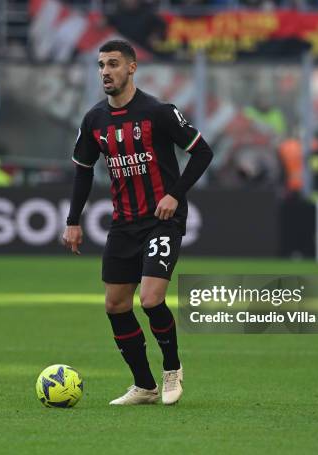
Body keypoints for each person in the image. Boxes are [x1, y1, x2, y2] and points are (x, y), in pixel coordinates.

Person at [62, 40, 213, 406]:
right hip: (123, 223)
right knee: (115, 305)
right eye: (101, 65)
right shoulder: (95, 119)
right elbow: (83, 171)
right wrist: (73, 220)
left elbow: (202, 152)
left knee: (150, 298)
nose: (105, 72)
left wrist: (174, 194)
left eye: (113, 64)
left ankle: (172, 370)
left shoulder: (159, 112)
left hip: (163, 219)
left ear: (131, 68)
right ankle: (144, 386)